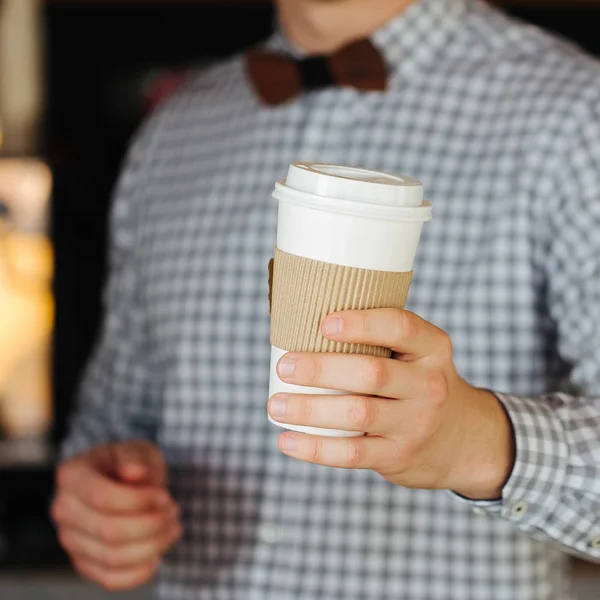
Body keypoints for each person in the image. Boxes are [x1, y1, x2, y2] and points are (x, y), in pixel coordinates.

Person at [51, 0, 600, 598]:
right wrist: (101, 498)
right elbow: (114, 414)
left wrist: (475, 441)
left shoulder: (576, 114)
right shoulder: (175, 131)